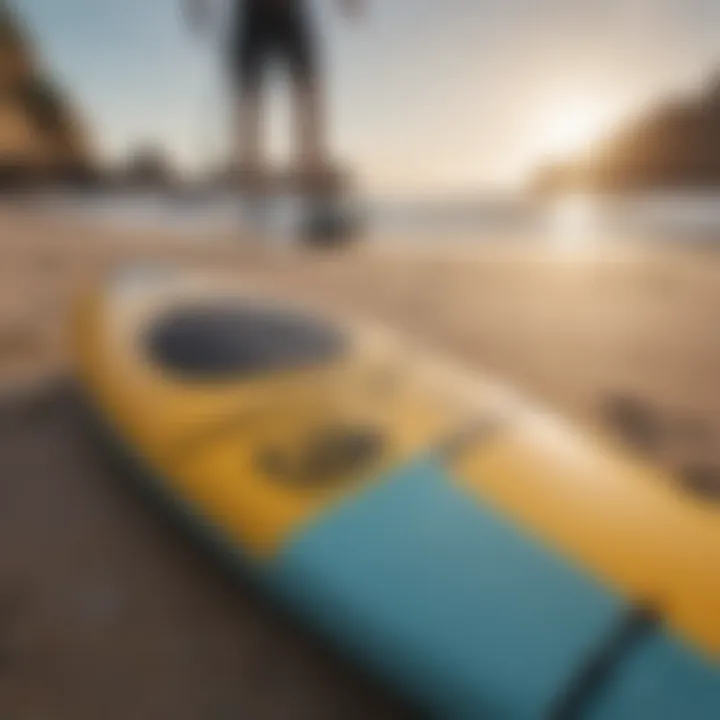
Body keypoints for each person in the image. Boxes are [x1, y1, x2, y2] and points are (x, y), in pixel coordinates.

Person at [185, 0, 363, 186]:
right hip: (253, 13)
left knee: (305, 81)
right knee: (249, 87)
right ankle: (248, 163)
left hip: (287, 12)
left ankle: (311, 162)